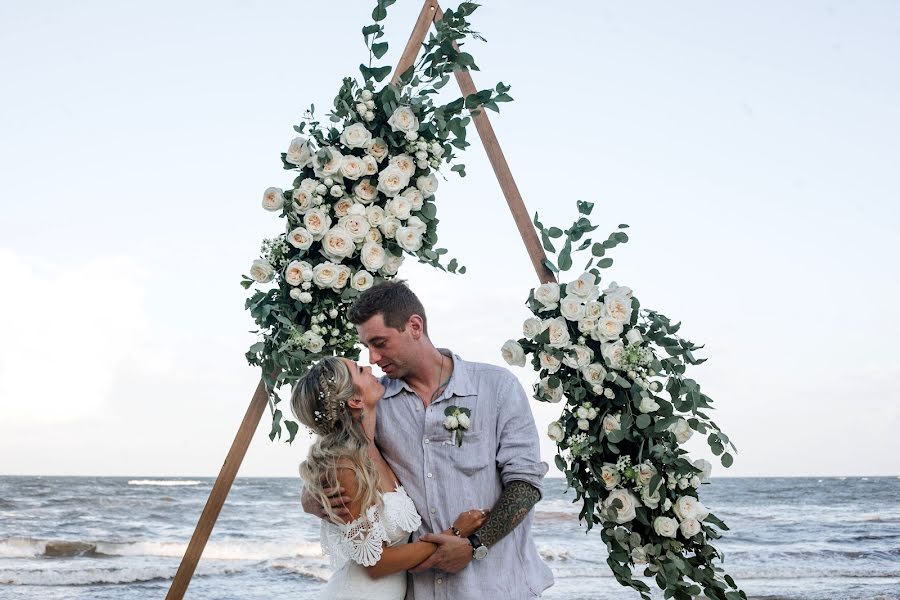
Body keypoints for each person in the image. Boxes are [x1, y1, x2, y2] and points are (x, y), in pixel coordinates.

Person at [302, 281, 554, 599]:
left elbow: (526, 484)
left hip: (494, 587)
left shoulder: (497, 387)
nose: (373, 357)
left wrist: (474, 545)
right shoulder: (375, 403)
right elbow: (338, 456)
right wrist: (313, 499)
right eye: (367, 346)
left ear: (415, 326)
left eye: (380, 343)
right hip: (418, 591)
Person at [291, 355, 489, 599]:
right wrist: (453, 533)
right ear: (354, 400)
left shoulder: (374, 448)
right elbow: (377, 564)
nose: (369, 367)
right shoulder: (346, 468)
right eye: (359, 370)